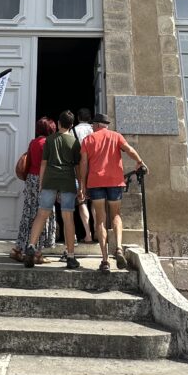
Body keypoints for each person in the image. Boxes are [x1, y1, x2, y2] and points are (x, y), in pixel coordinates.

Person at [78, 113, 147, 273]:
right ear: (106, 125)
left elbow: (83, 164)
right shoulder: (116, 136)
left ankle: (104, 260)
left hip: (95, 182)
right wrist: (140, 162)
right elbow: (129, 150)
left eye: (92, 125)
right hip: (115, 181)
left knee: (100, 219)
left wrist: (82, 184)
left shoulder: (88, 140)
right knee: (116, 215)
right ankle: (119, 249)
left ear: (96, 125)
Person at [23, 110, 81, 270]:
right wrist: (81, 184)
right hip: (67, 180)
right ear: (72, 125)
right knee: (68, 217)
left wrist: (41, 183)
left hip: (50, 179)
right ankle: (70, 256)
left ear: (59, 123)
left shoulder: (49, 140)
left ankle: (31, 246)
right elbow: (77, 166)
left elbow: (43, 164)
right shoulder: (75, 143)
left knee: (42, 214)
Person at [10, 117, 57, 263]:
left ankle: (18, 249)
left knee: (28, 214)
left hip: (31, 179)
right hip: (43, 180)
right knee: (43, 215)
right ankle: (37, 253)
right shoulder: (48, 143)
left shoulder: (33, 142)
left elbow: (29, 161)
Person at [72, 107, 94, 244]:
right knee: (95, 201)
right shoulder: (94, 130)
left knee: (81, 201)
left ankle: (88, 234)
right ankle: (97, 232)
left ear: (78, 117)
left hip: (79, 167)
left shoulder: (74, 130)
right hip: (93, 166)